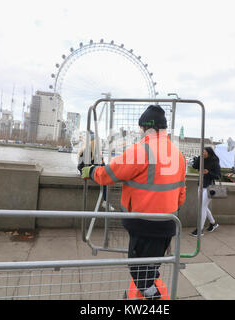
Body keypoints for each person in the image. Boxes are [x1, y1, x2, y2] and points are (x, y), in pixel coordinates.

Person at [81, 105, 186, 300]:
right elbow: (182, 192)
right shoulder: (178, 155)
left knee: (138, 269)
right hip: (169, 221)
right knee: (153, 262)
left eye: (140, 128)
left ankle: (151, 296)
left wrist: (91, 171)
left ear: (145, 127)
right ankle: (151, 287)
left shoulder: (141, 151)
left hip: (143, 221)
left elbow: (108, 175)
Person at [190, 147, 220, 237]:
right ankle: (213, 223)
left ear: (209, 153)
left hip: (210, 187)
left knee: (202, 207)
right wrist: (200, 158)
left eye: (204, 152)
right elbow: (194, 166)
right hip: (200, 186)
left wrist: (208, 173)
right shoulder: (202, 160)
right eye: (202, 152)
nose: (203, 153)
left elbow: (218, 176)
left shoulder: (214, 162)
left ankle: (200, 229)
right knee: (203, 206)